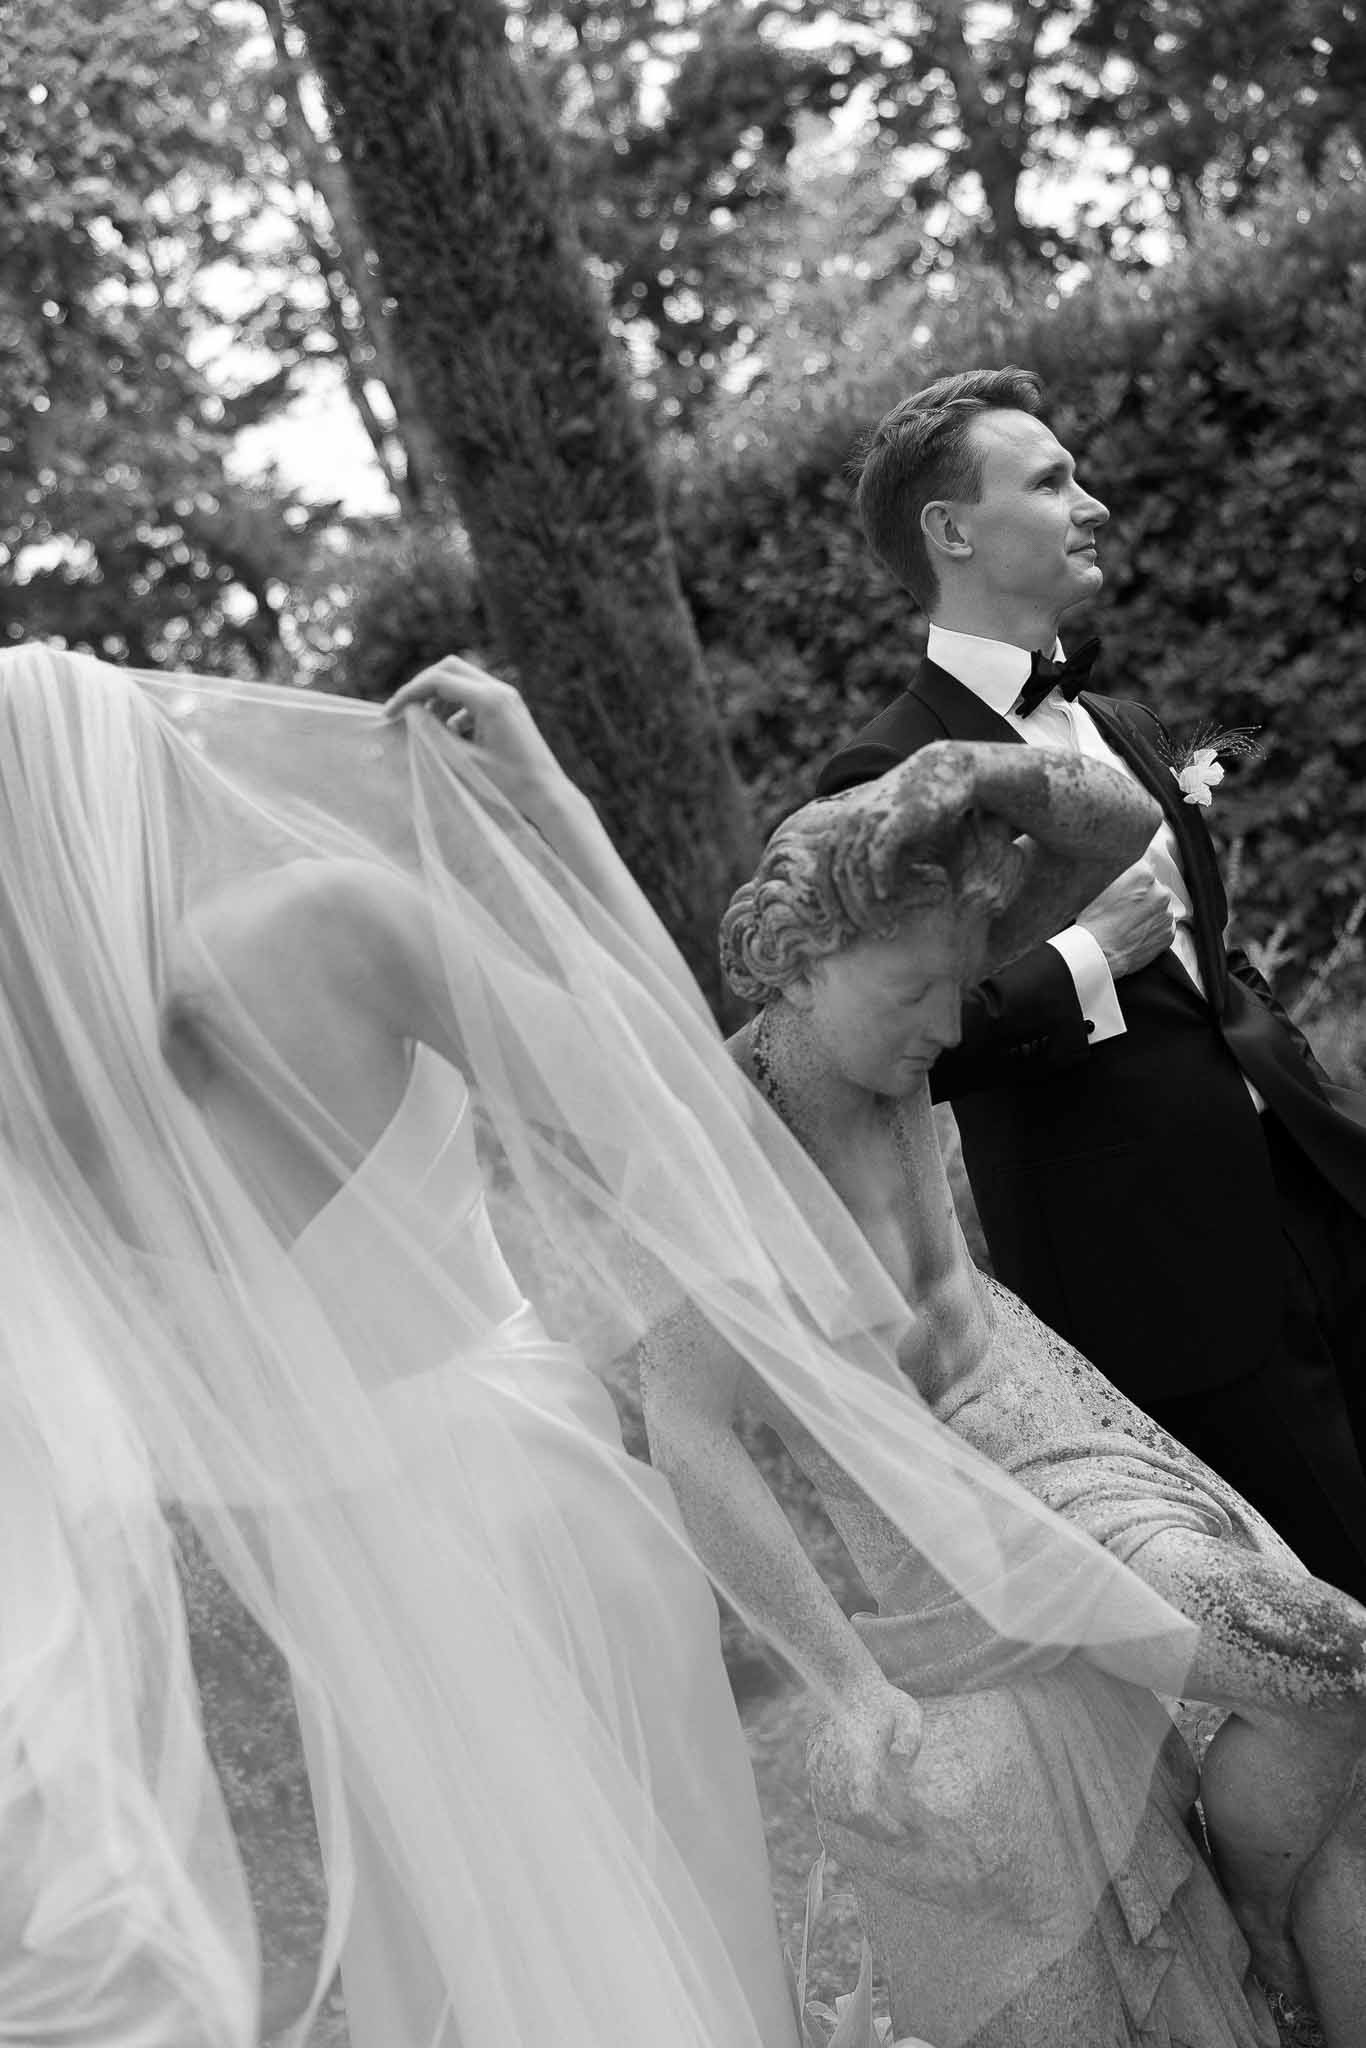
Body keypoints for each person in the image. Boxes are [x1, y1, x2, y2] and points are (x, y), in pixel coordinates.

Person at [0, 643, 1193, 2048]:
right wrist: (549, 802)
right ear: (123, 777)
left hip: (355, 1608)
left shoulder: (41, 1110)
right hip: (543, 1525)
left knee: (504, 1968)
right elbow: (684, 1118)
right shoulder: (331, 922)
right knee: (681, 1957)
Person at [717, 744, 1366, 2046]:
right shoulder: (730, 1129)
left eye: (959, 987)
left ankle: (1266, 1942)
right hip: (936, 1518)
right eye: (916, 994)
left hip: (1051, 1420)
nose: (951, 1030)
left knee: (1333, 1684)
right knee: (1332, 1658)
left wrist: (957, 769)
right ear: (794, 960)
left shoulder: (888, 1039)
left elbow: (1120, 819)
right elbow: (690, 1426)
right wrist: (845, 1686)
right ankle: (1259, 1947)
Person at [816, 364, 1366, 1602]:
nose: (1095, 502)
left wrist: (1284, 1063)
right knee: (1333, 1621)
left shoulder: (1117, 721)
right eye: (1052, 480)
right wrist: (1078, 961)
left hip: (1318, 1187)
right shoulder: (879, 777)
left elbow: (1202, 949)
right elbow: (888, 1045)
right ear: (951, 532)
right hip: (1161, 1276)